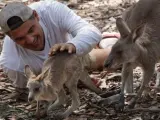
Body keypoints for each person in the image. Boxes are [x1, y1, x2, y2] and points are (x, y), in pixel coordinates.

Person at [0, 1, 118, 101]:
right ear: (9, 37)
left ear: (36, 16)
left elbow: (91, 31)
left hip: (71, 54)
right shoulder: (11, 63)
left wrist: (73, 45)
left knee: (111, 57)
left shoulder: (50, 10)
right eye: (20, 38)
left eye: (31, 30)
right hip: (54, 74)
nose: (30, 40)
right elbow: (33, 90)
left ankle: (108, 41)